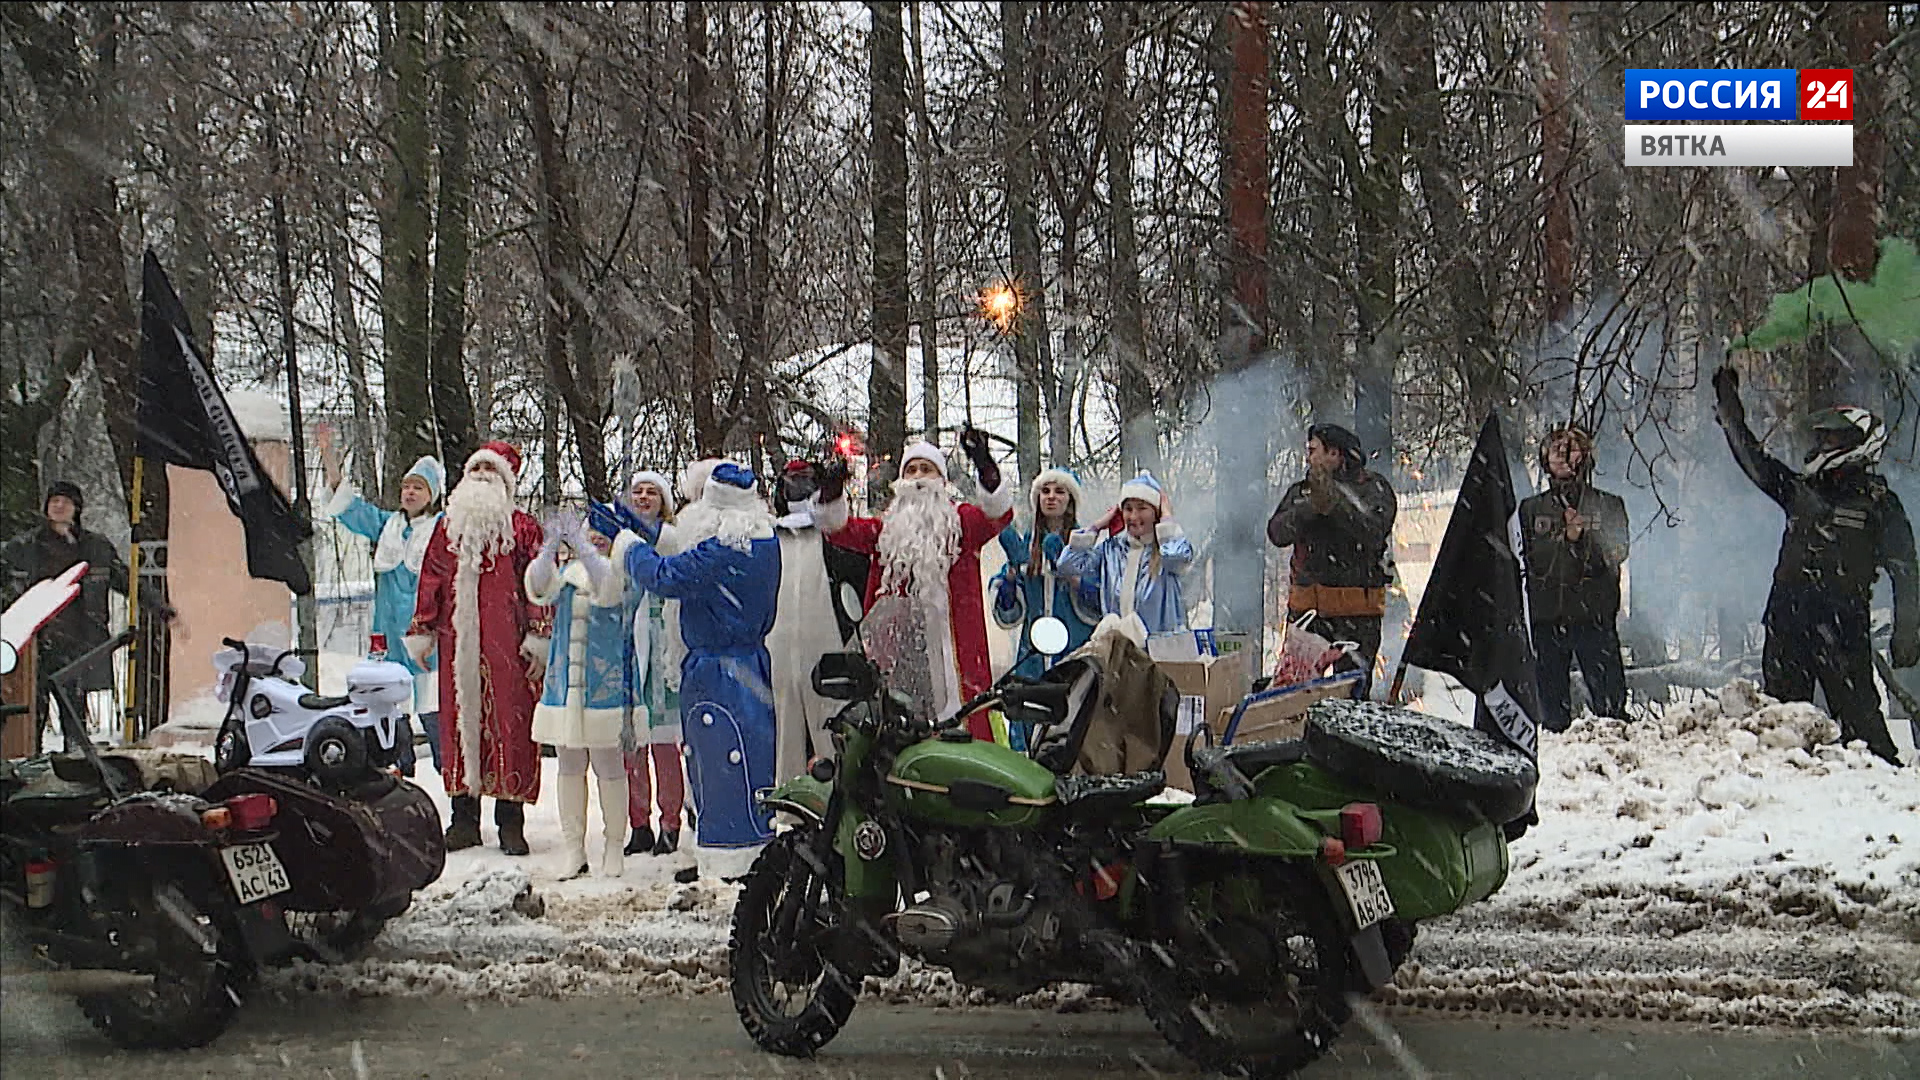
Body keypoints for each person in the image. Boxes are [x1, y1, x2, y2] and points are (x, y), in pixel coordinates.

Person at [1713, 366, 1917, 765]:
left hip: (1842, 625)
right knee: (1779, 729)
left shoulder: (1879, 502)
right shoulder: (1801, 491)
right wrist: (1730, 413)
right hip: (1787, 620)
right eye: (1822, 437)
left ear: (1859, 444)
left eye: (1833, 437)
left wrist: (1908, 627)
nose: (1822, 443)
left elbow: (1907, 571)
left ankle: (1881, 796)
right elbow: (1755, 462)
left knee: (1865, 732)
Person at [605, 462, 781, 883]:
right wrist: (646, 532)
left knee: (721, 759)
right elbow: (686, 551)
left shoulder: (722, 549)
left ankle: (731, 860)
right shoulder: (760, 539)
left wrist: (628, 545)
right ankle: (738, 847)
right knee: (737, 759)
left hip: (716, 669)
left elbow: (667, 574)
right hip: (747, 665)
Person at [813, 431, 1015, 740]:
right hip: (900, 656)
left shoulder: (962, 524)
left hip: (955, 656)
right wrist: (831, 489)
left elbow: (997, 514)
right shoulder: (887, 530)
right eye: (911, 469)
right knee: (897, 734)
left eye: (927, 469)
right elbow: (838, 529)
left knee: (962, 731)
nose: (918, 477)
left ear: (942, 480)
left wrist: (986, 468)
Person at [406, 442, 550, 855]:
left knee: (511, 727)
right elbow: (431, 577)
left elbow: (537, 583)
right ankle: (464, 820)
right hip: (458, 646)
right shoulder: (447, 527)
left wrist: (538, 633)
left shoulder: (522, 528)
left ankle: (510, 822)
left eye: (492, 470)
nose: (483, 476)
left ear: (506, 480)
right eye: (478, 469)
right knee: (459, 725)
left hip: (508, 645)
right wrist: (423, 627)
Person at [1, 481, 174, 751]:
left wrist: (161, 608)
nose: (59, 506)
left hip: (77, 642)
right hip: (32, 644)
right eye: (54, 501)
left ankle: (74, 762)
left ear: (76, 508)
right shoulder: (22, 548)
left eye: (66, 501)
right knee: (31, 711)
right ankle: (29, 761)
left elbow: (126, 581)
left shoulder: (95, 548)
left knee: (74, 709)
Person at [315, 424, 446, 775]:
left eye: (418, 487)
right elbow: (349, 506)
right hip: (388, 629)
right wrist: (329, 456)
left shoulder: (442, 529)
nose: (409, 493)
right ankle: (399, 767)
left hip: (428, 633)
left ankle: (447, 770)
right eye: (406, 486)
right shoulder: (388, 525)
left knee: (432, 699)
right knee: (393, 701)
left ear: (432, 494)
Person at [525, 511, 632, 879]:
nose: (595, 539)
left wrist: (584, 547)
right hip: (563, 686)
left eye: (603, 534)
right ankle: (574, 848)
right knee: (569, 767)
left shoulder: (621, 570)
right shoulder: (568, 576)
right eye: (590, 533)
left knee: (609, 767)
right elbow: (538, 586)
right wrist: (550, 547)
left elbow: (606, 590)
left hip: (604, 686)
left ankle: (614, 845)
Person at [1265, 424, 1397, 691]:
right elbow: (1277, 533)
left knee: (1351, 700)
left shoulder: (1374, 489)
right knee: (1295, 694)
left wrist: (1336, 504)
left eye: (1314, 451)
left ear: (1335, 454)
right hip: (1308, 615)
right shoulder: (1301, 491)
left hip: (1358, 618)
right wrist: (1310, 507)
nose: (1308, 458)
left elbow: (1372, 532)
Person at [1519, 427, 1629, 732]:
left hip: (1594, 615)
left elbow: (1617, 552)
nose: (1565, 455)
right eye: (1557, 449)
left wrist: (1583, 542)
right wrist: (1564, 539)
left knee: (1610, 708)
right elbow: (1530, 558)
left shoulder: (1608, 505)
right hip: (1549, 617)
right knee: (1552, 713)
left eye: (1572, 448)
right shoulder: (1531, 509)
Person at [767, 459, 862, 783]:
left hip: (827, 638)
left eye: (806, 479)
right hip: (779, 641)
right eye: (793, 480)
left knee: (832, 724)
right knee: (784, 731)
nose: (799, 486)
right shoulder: (770, 536)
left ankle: (841, 795)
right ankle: (790, 804)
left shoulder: (834, 536)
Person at [617, 470, 685, 857]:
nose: (643, 498)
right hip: (625, 646)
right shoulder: (619, 541)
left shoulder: (671, 539)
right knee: (631, 746)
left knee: (663, 744)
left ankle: (670, 822)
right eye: (637, 492)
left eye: (651, 492)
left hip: (660, 648)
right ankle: (637, 823)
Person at [992, 467, 1100, 678]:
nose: (1051, 497)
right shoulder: (1026, 547)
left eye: (1060, 491)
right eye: (1045, 491)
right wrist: (1011, 576)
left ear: (1071, 500)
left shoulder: (1086, 547)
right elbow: (1008, 609)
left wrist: (1073, 578)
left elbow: (1100, 602)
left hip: (1075, 649)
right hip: (1033, 654)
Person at [1058, 471, 1194, 634]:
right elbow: (1067, 565)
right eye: (1128, 509)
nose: (1133, 516)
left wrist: (1166, 518)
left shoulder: (1168, 549)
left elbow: (1176, 558)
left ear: (1156, 513)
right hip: (1118, 648)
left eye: (1142, 508)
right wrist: (1097, 526)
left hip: (1161, 650)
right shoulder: (1112, 549)